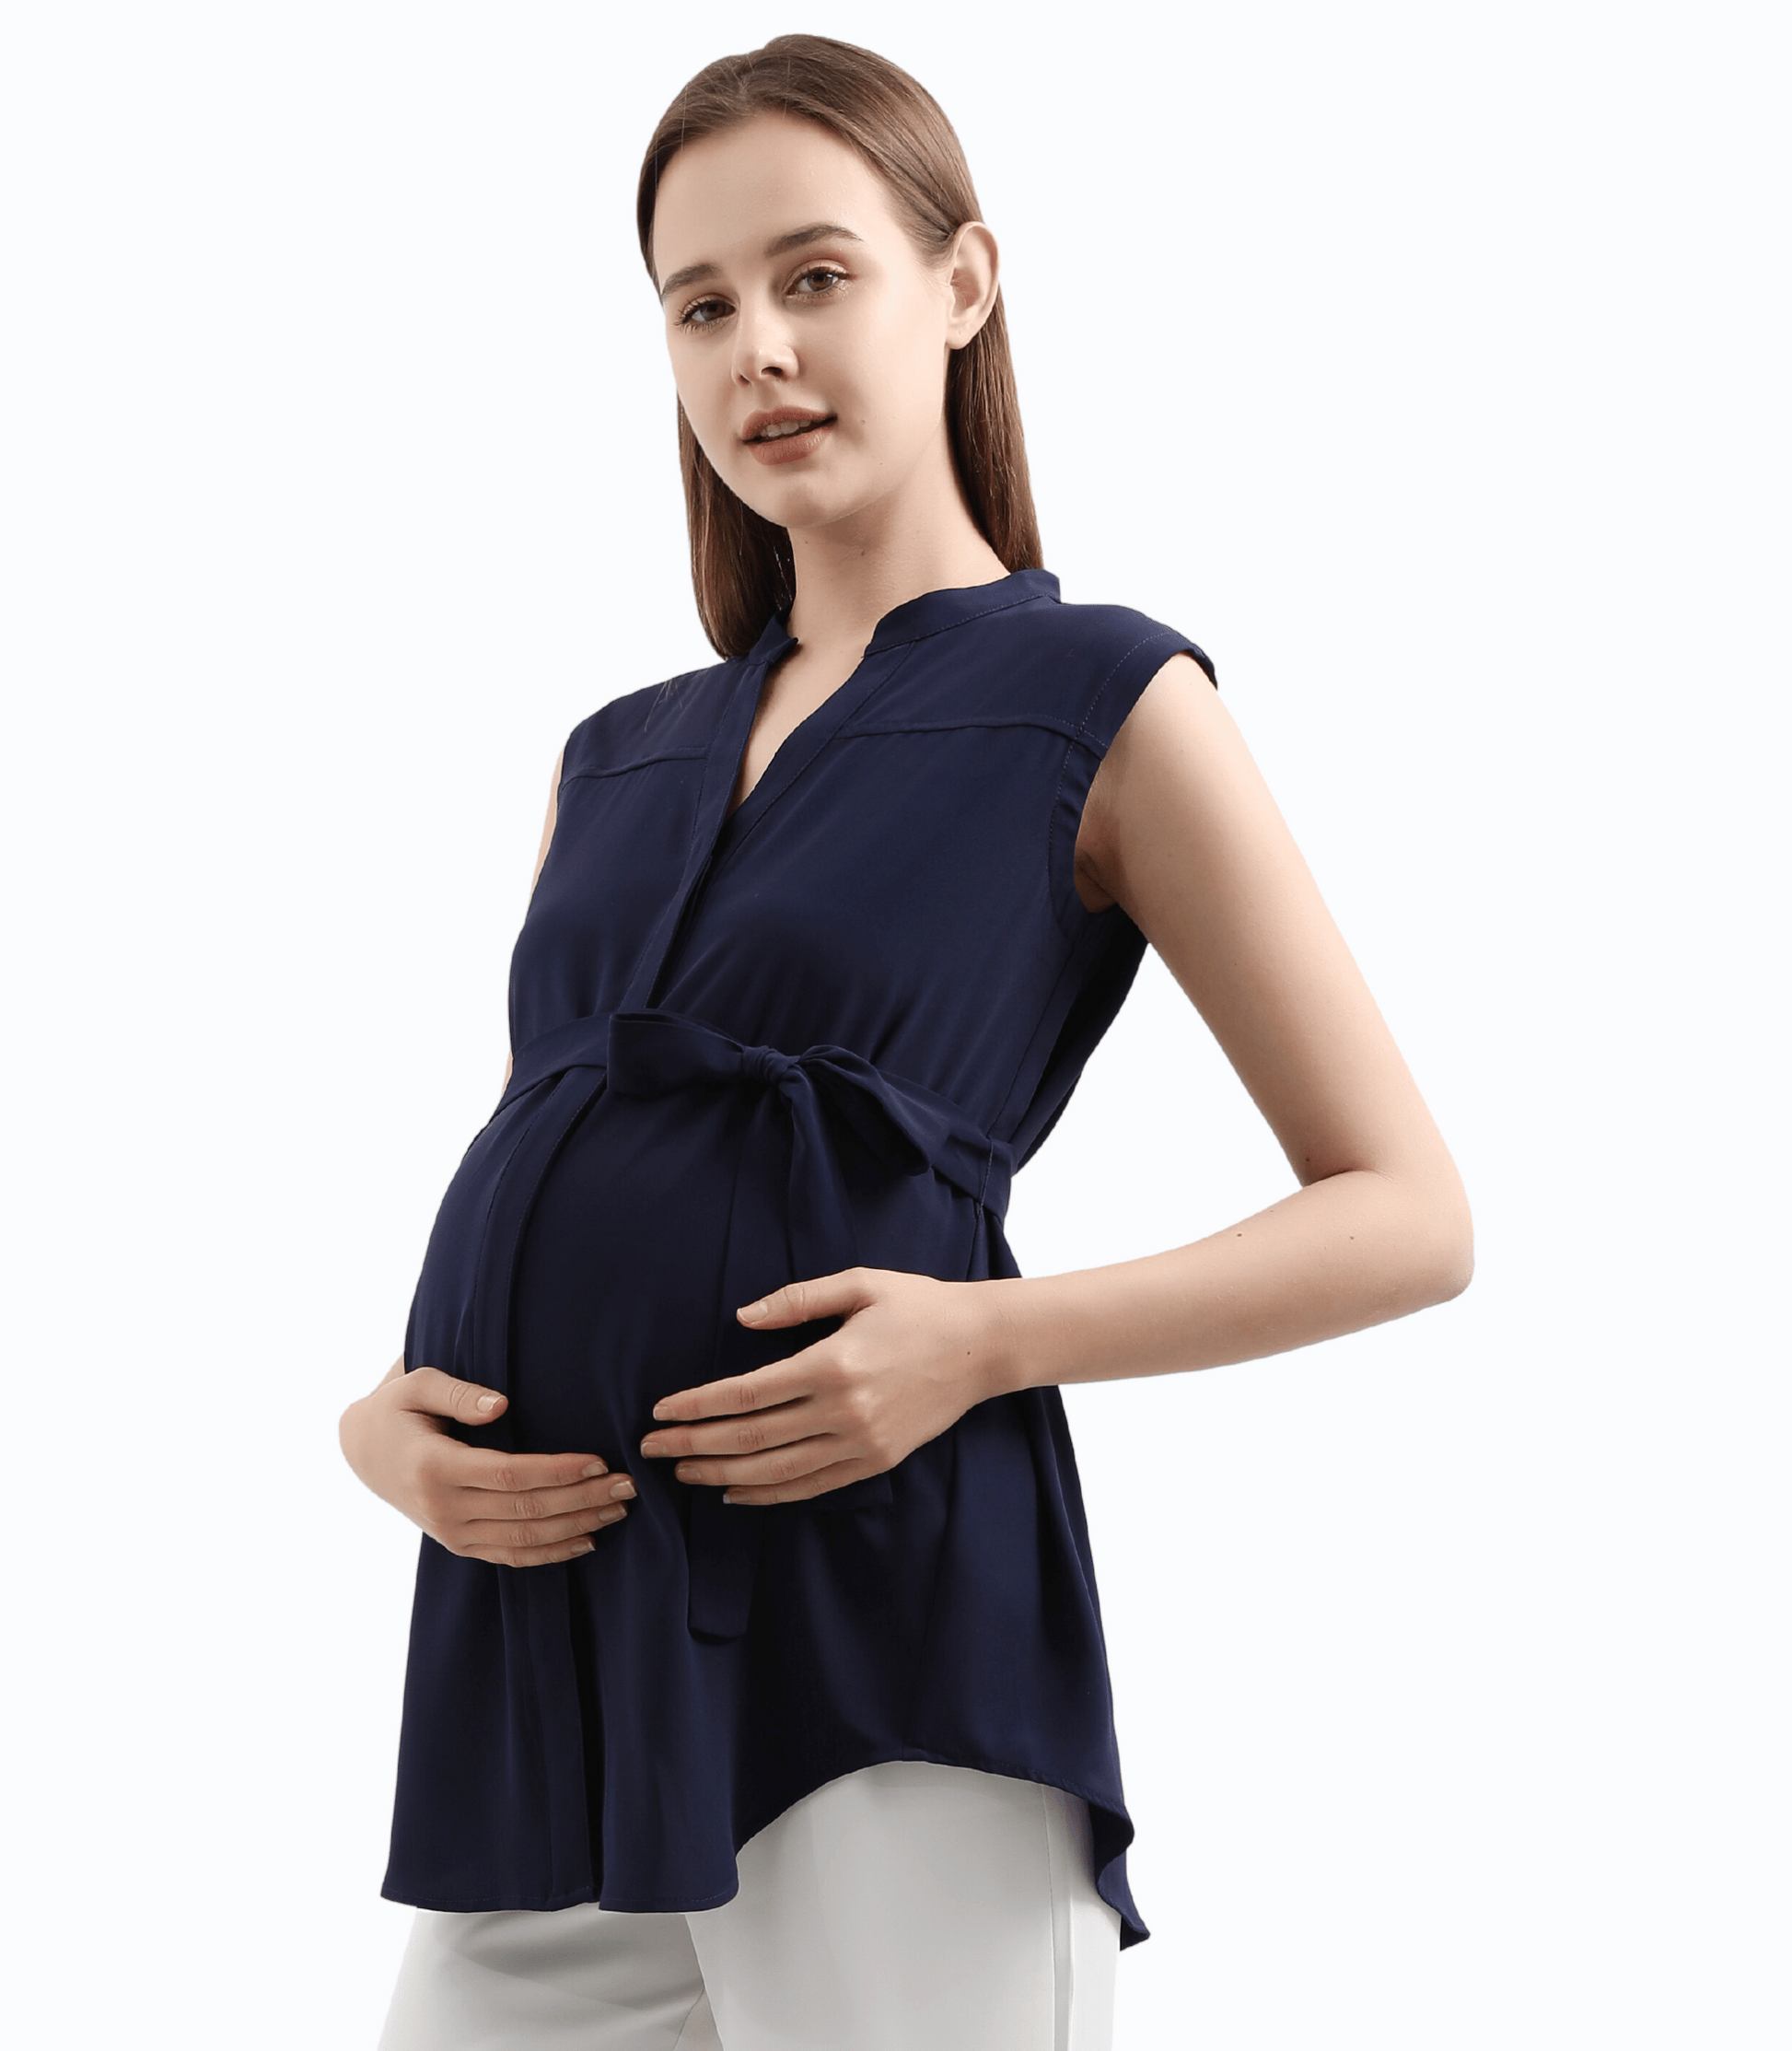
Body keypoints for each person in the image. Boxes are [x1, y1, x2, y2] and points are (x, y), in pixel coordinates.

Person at [340, 32, 1472, 2051]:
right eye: (699, 306)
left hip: (881, 1626)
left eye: (814, 276)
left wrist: (977, 1342)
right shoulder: (615, 755)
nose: (757, 350)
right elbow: (548, 1155)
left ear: (961, 284)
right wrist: (386, 1432)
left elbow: (1406, 1213)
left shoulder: (1102, 699)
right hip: (551, 1646)